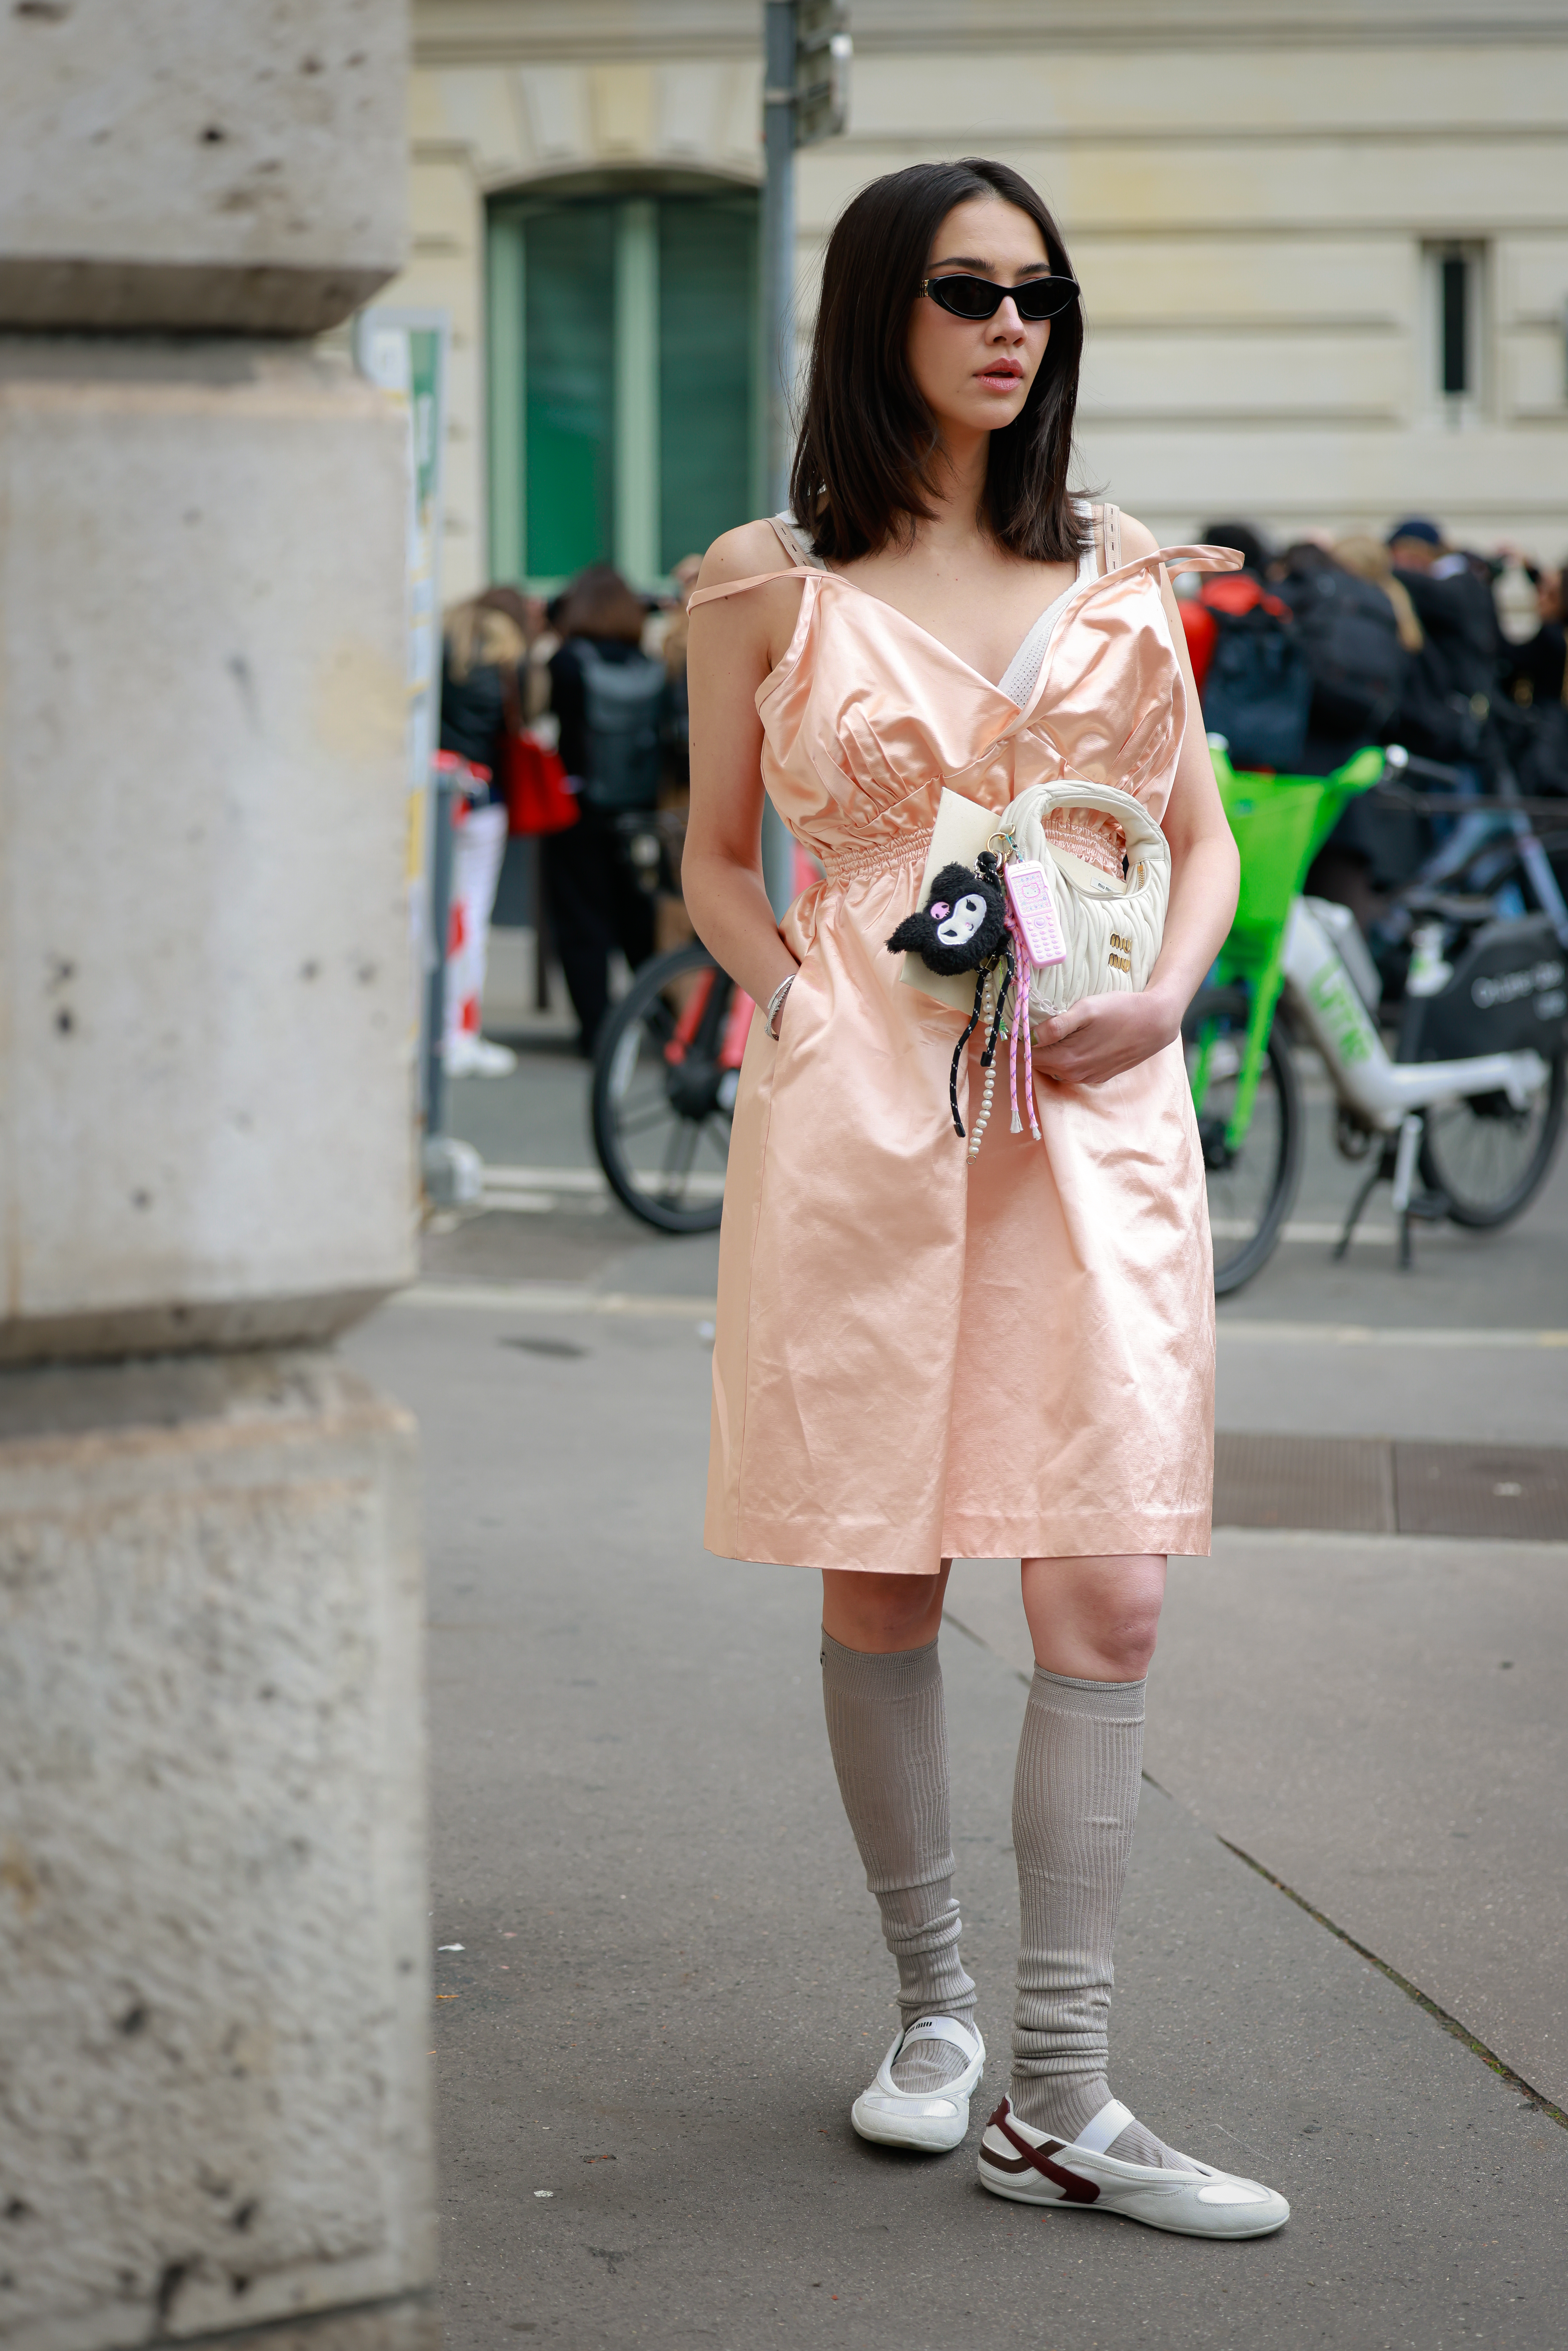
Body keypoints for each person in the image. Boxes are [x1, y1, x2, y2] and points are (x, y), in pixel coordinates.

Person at [682, 156, 1289, 2238]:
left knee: (1104, 1577)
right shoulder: (765, 578)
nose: (1009, 324)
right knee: (881, 1561)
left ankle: (1064, 2085)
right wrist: (793, 1011)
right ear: (882, 316)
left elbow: (1194, 842)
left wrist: (1172, 999)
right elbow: (713, 859)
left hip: (1093, 1103)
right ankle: (935, 2020)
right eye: (963, 289)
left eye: (1038, 290)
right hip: (868, 1112)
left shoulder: (1119, 566)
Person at [545, 564, 667, 1054]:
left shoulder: (568, 663)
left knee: (582, 921)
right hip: (640, 809)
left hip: (580, 808)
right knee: (639, 918)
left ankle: (597, 1034)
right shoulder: (650, 667)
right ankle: (659, 1021)